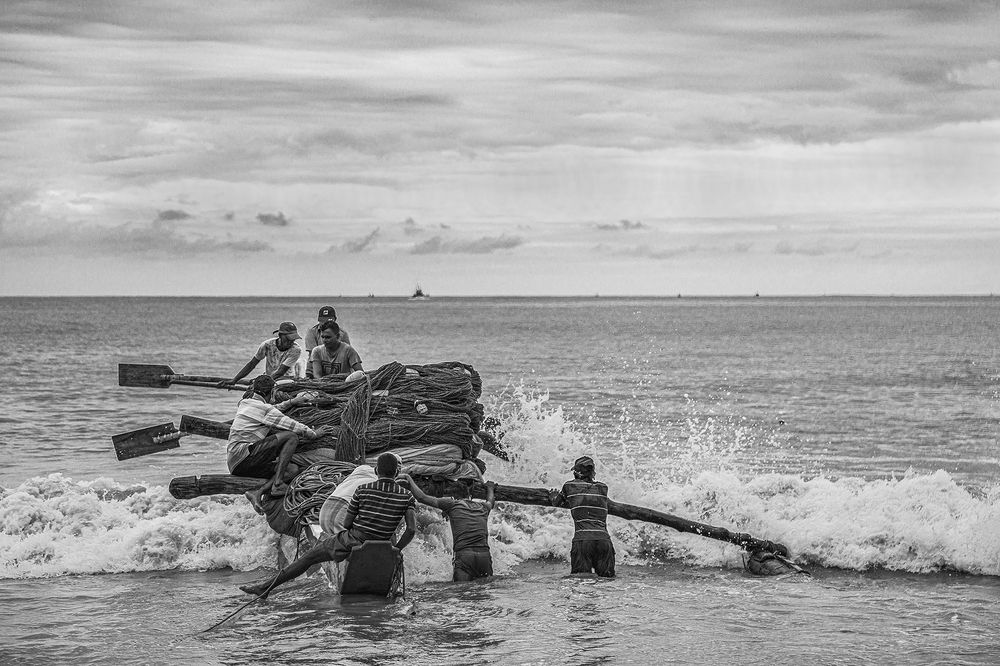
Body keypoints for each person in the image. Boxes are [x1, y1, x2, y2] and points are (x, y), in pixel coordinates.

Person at [239, 452, 416, 598]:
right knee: (394, 544)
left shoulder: (362, 490)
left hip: (353, 540)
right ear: (396, 473)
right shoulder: (407, 496)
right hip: (384, 546)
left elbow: (346, 523)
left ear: (376, 470)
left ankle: (266, 588)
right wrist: (397, 549)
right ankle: (394, 588)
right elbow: (411, 529)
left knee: (309, 558)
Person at [227, 375, 334, 508]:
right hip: (244, 457)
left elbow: (272, 410)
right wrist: (314, 434)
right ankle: (277, 483)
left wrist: (291, 402)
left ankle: (258, 492)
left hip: (236, 463)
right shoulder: (265, 410)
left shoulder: (246, 403)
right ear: (272, 392)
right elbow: (293, 426)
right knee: (291, 436)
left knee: (292, 470)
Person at [398, 474, 496, 581]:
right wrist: (490, 488)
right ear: (469, 496)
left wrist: (409, 479)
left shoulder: (452, 504)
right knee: (485, 591)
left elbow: (421, 497)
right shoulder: (483, 507)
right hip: (484, 556)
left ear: (453, 497)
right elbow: (490, 501)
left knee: (461, 591)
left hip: (465, 556)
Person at [549, 455, 615, 577]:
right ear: (593, 473)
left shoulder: (569, 486)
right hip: (604, 541)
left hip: (583, 541)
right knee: (607, 579)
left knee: (580, 579)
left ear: (576, 472)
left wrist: (553, 495)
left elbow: (557, 502)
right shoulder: (603, 488)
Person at [223, 322, 303, 386]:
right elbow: (252, 364)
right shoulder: (267, 345)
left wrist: (263, 383)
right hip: (269, 378)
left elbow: (281, 371)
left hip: (286, 380)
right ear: (280, 336)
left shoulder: (296, 350)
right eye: (288, 339)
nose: (290, 341)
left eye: (293, 339)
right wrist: (235, 380)